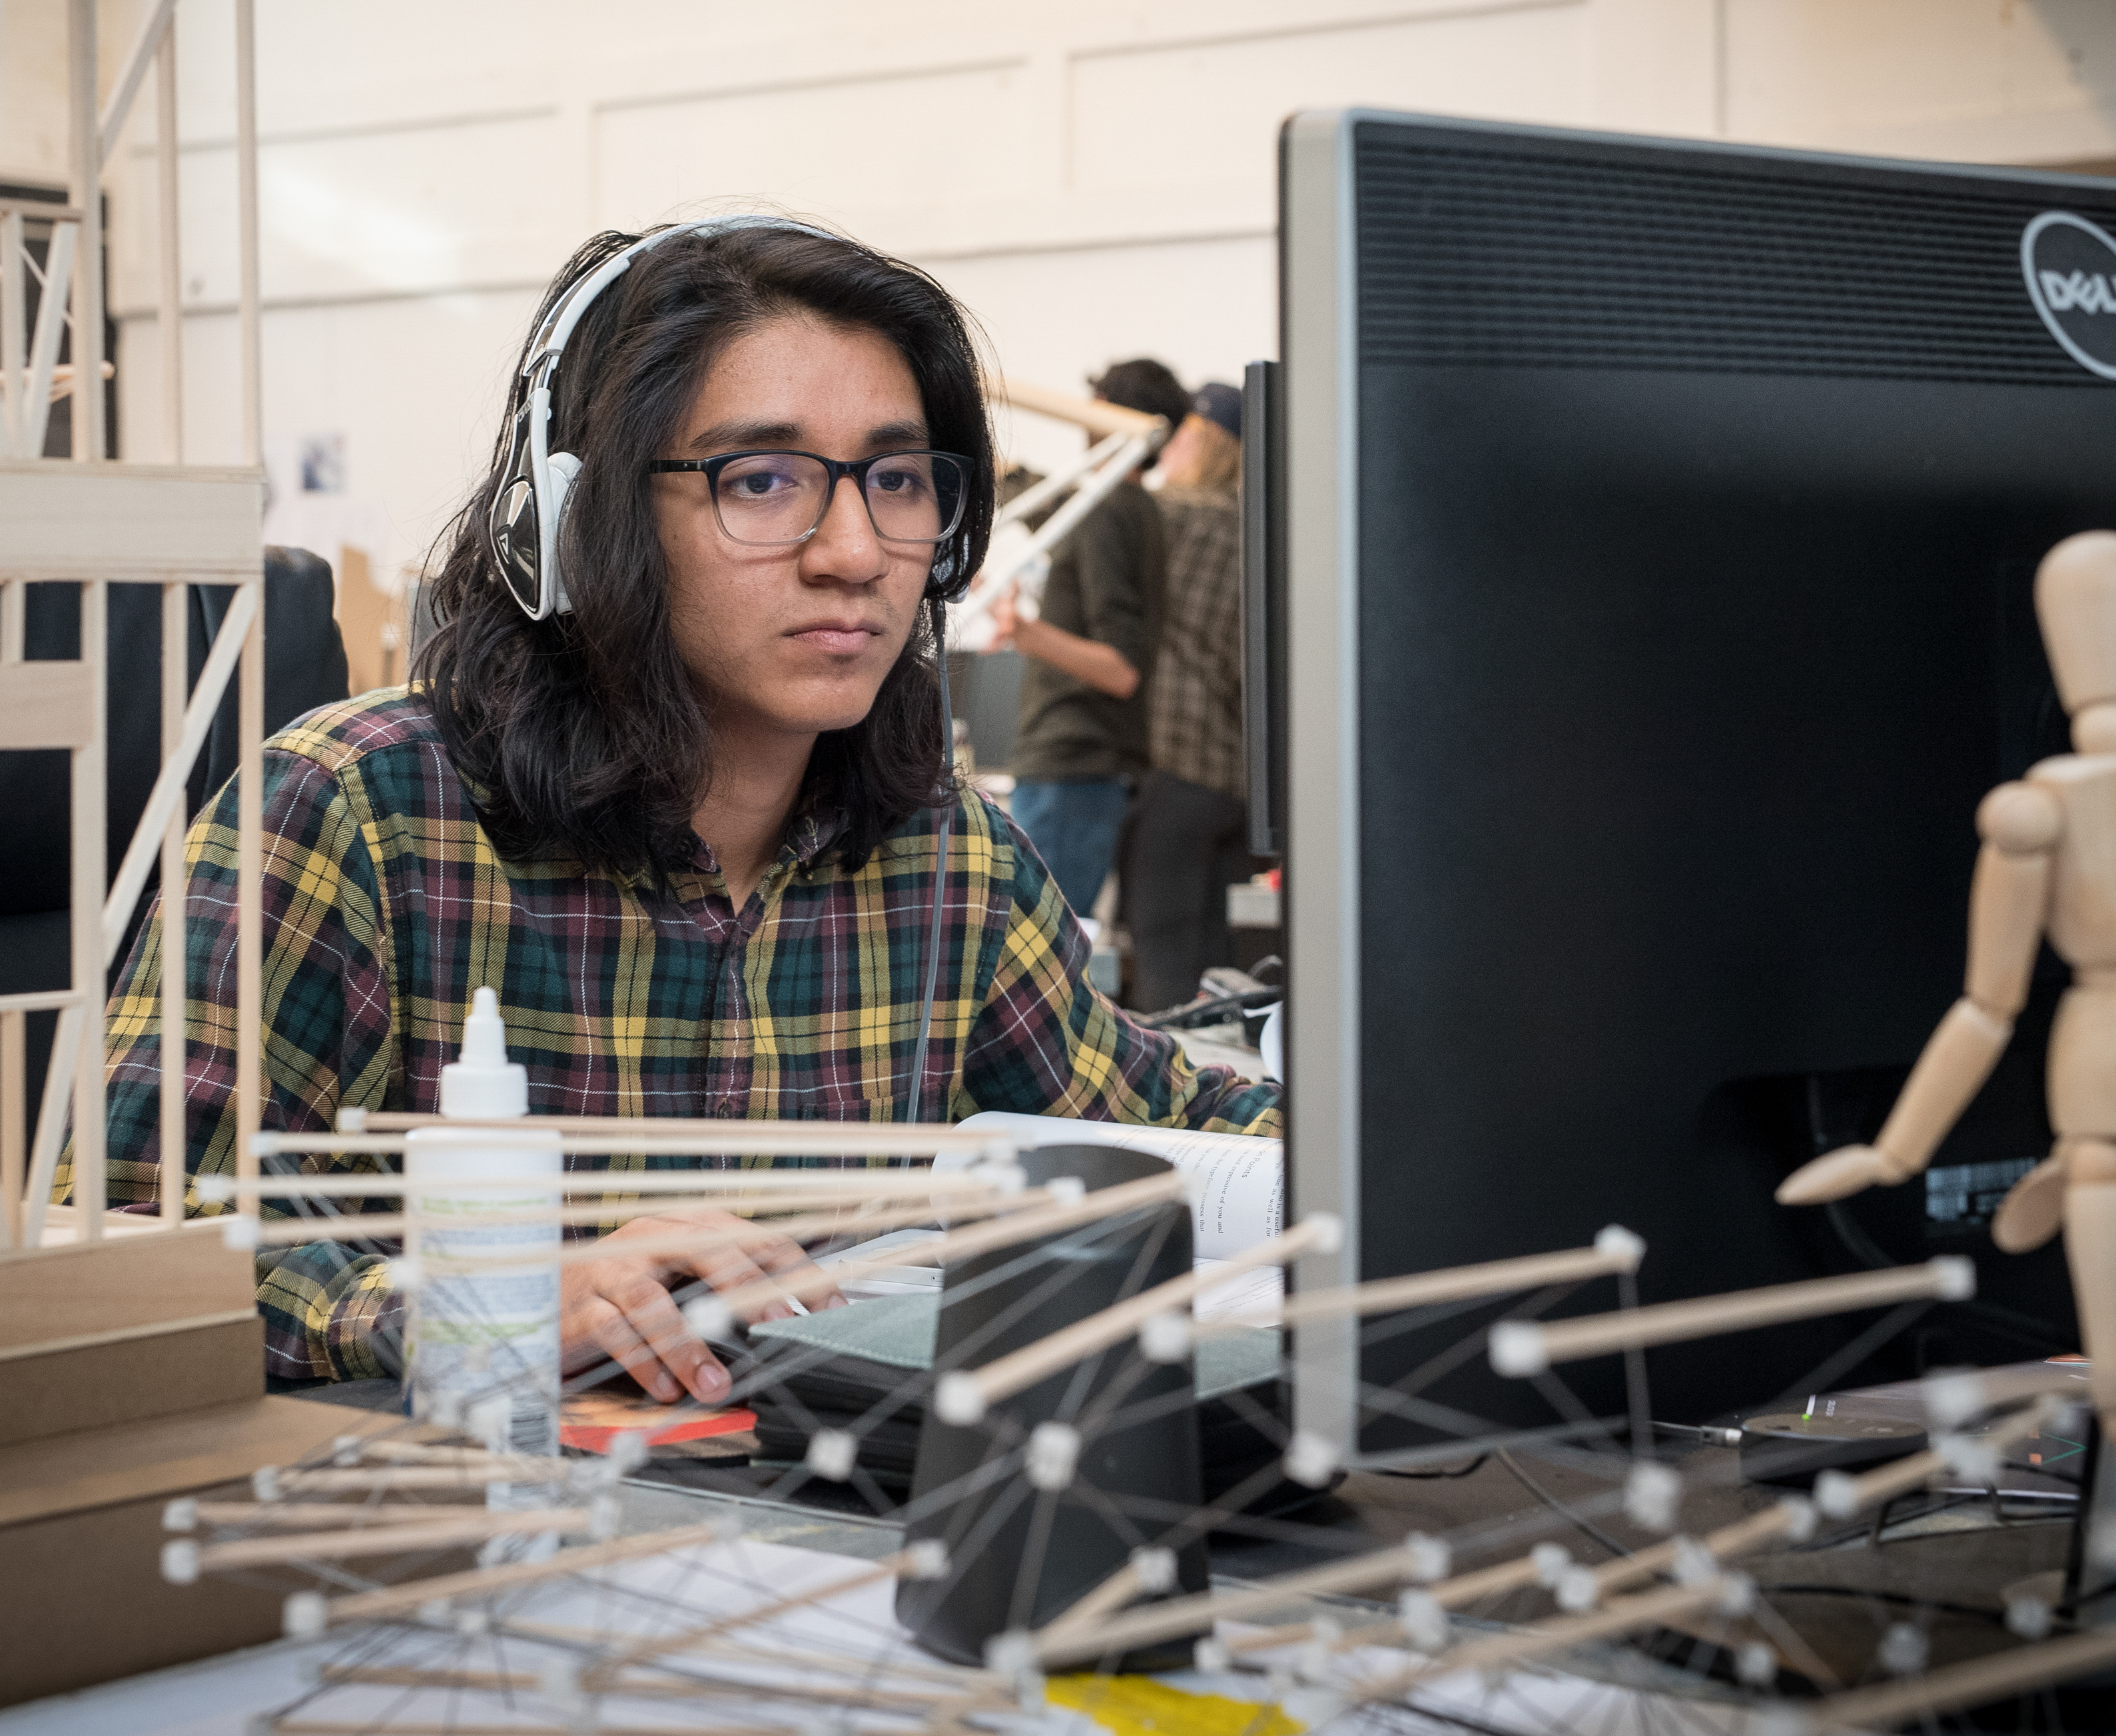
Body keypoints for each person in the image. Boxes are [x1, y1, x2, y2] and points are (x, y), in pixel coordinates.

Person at [66, 220, 1277, 1398]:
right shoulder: (361, 813)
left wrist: (1406, 1114)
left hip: (826, 1549)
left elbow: (1156, 1113)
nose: (857, 552)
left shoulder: (944, 856)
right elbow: (114, 1252)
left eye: (900, 480)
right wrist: (481, 1300)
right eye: (761, 479)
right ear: (580, 518)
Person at [996, 358, 1178, 918]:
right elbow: (1051, 508)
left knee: (1037, 951)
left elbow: (1121, 668)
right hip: (1082, 769)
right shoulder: (1129, 508)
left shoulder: (1111, 509)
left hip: (1072, 764)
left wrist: (1028, 634)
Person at [1120, 380, 1251, 1013]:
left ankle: (1162, 1111)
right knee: (1223, 965)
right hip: (1236, 781)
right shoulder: (1258, 536)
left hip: (1171, 763)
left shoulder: (1162, 516)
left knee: (1163, 953)